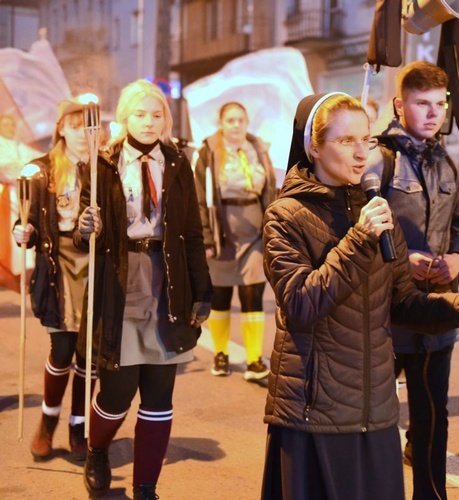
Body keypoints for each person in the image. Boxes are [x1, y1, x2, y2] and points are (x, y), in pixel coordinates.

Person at [260, 92, 459, 500]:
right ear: (313, 147)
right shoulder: (285, 216)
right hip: (316, 411)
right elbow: (300, 305)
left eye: (366, 140)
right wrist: (358, 239)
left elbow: (403, 302)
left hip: (377, 409)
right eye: (346, 141)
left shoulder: (376, 208)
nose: (360, 153)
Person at [74, 80, 211, 500]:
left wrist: (202, 290)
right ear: (124, 117)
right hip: (120, 282)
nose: (149, 122)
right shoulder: (102, 163)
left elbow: (191, 230)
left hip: (167, 281)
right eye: (140, 114)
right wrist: (85, 228)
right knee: (116, 392)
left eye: (156, 115)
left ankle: (146, 486)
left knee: (159, 391)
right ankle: (97, 449)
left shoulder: (177, 162)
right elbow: (85, 234)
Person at [366, 60, 459, 500]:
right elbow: (356, 231)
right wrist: (400, 261)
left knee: (433, 417)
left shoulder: (447, 161)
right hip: (385, 313)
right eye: (422, 104)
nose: (433, 114)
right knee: (374, 416)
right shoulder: (377, 157)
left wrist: (457, 259)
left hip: (436, 315)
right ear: (400, 104)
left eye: (439, 104)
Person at [12, 97, 97, 461]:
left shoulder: (104, 168)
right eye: (73, 125)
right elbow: (24, 218)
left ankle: (79, 426)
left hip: (97, 264)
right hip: (56, 265)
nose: (81, 133)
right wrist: (21, 231)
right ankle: (47, 422)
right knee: (62, 349)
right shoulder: (40, 169)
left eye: (87, 125)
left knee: (90, 354)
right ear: (61, 127)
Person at [193, 101, 277, 384]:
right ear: (221, 123)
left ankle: (254, 360)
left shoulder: (259, 148)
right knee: (221, 294)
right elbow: (199, 197)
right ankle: (221, 353)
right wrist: (206, 236)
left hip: (254, 231)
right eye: (230, 120)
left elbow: (271, 190)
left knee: (253, 292)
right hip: (222, 231)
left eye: (241, 119)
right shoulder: (208, 151)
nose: (236, 125)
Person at [0, 114, 43, 184]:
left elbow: (36, 155)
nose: (10, 128)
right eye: (6, 125)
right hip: (6, 188)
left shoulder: (19, 144)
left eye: (13, 125)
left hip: (26, 183)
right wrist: (16, 163)